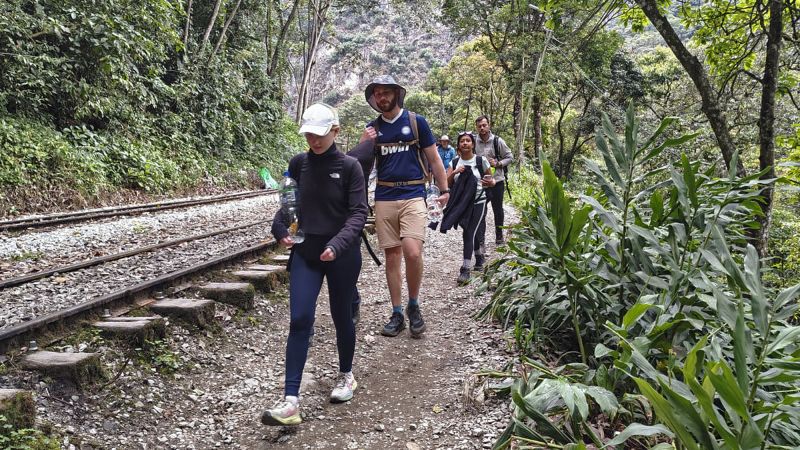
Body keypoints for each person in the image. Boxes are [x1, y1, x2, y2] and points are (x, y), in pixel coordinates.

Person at [261, 103, 367, 426]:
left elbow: (359, 213)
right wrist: (280, 229)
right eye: (308, 133)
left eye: (319, 134)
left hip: (341, 255)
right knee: (300, 319)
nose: (314, 140)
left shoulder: (350, 168)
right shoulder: (298, 163)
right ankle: (290, 400)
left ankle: (346, 375)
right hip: (307, 254)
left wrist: (337, 245)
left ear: (335, 131)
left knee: (341, 316)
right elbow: (288, 207)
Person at [354, 75, 449, 338]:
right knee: (392, 256)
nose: (382, 97)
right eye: (377, 94)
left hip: (413, 193)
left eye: (386, 92)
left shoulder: (416, 122)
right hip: (384, 196)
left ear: (397, 94)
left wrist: (445, 190)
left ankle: (414, 305)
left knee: (413, 252)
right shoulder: (372, 129)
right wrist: (364, 142)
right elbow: (360, 166)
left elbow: (434, 159)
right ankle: (397, 312)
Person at [444, 132, 494, 284]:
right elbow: (447, 183)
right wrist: (455, 173)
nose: (465, 143)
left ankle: (465, 269)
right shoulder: (454, 162)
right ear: (458, 145)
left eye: (468, 141)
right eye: (462, 141)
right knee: (471, 229)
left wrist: (490, 182)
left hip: (479, 200)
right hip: (461, 203)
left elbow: (491, 180)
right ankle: (479, 257)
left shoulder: (481, 160)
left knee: (469, 232)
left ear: (472, 144)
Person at [474, 115, 513, 245]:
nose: (482, 128)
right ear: (476, 127)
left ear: (489, 125)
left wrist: (498, 163)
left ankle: (499, 236)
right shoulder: (473, 141)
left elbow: (509, 157)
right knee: (481, 211)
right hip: (481, 183)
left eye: (484, 125)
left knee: (498, 210)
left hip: (497, 181)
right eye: (479, 126)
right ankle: (480, 239)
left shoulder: (497, 141)